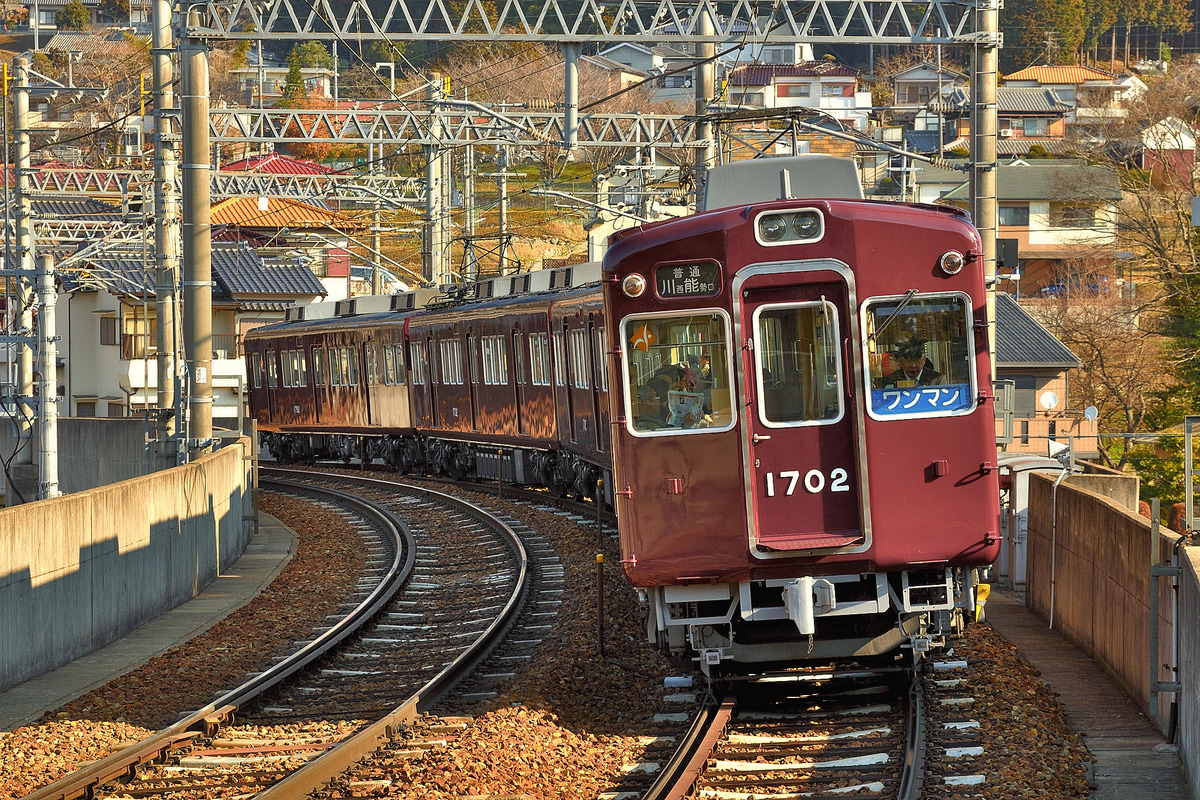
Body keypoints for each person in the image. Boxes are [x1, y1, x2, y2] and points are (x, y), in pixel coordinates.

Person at [881, 339, 946, 388]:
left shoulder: (937, 380)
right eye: (909, 361)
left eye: (917, 361)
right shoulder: (890, 380)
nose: (913, 365)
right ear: (901, 361)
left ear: (924, 360)